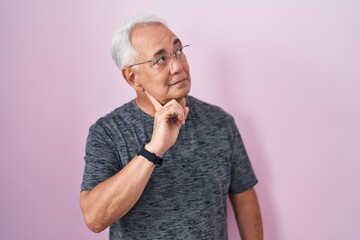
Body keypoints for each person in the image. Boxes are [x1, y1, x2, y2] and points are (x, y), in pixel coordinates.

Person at [80, 14, 263, 240]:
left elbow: (244, 197)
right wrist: (154, 149)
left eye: (178, 51)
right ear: (132, 77)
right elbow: (95, 218)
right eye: (160, 60)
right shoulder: (108, 132)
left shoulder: (220, 122)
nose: (177, 66)